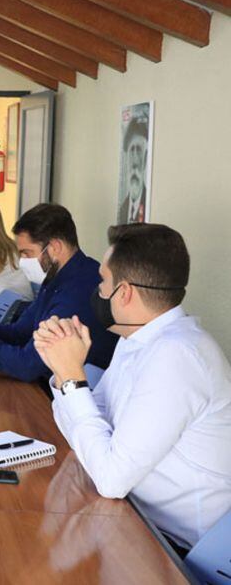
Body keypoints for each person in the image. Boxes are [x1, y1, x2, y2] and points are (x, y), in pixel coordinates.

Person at [32, 223, 231, 552]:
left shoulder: (178, 355)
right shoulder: (138, 338)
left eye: (103, 281)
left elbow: (110, 477)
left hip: (178, 551)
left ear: (124, 293)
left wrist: (70, 376)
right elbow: (93, 428)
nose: (97, 290)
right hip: (132, 517)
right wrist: (62, 369)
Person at [0, 203, 116, 383]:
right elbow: (19, 333)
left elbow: (27, 365)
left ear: (55, 247)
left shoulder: (80, 288)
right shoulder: (54, 279)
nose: (21, 261)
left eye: (26, 253)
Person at [117, 116, 148, 224]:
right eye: (132, 150)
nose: (134, 161)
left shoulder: (148, 203)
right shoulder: (122, 210)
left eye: (139, 150)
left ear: (146, 157)